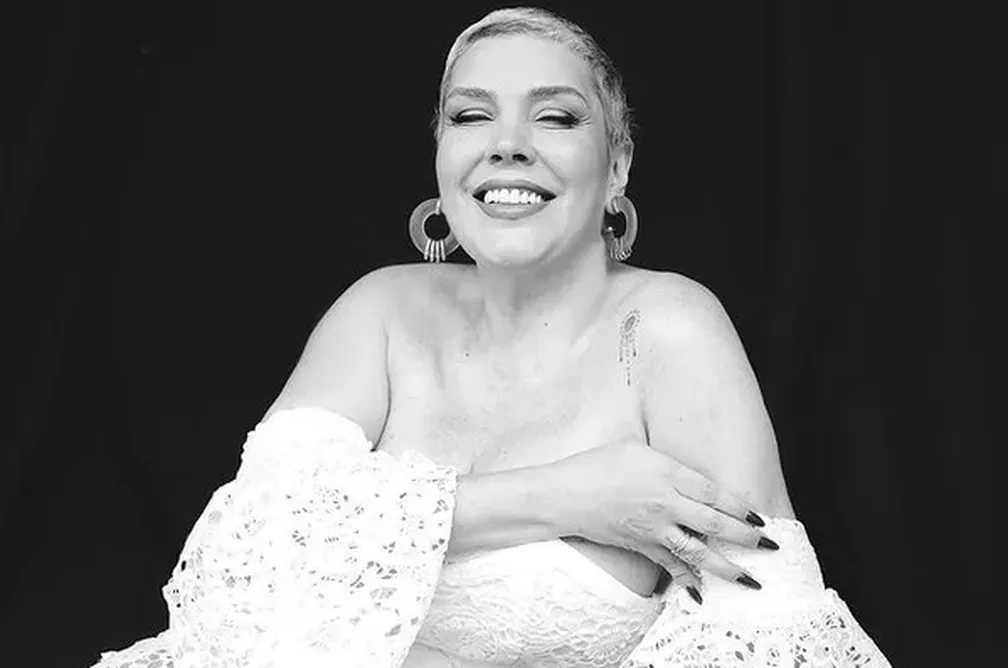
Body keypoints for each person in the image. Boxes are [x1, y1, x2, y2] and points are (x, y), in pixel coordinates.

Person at [92, 7, 890, 667]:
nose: (507, 143)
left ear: (617, 167)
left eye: (556, 116)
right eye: (471, 115)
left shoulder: (670, 330)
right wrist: (570, 496)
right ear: (443, 157)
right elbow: (250, 556)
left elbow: (769, 631)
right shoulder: (380, 311)